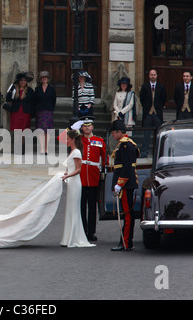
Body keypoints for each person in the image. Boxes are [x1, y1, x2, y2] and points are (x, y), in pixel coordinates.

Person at [72, 116, 107, 241]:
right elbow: (64, 138)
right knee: (81, 206)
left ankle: (91, 232)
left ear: (92, 126)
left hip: (93, 176)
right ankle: (82, 230)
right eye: (84, 126)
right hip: (80, 177)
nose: (87, 128)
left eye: (89, 125)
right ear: (82, 127)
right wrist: (73, 128)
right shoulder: (78, 139)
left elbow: (105, 158)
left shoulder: (99, 140)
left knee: (92, 206)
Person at [60, 130, 96, 248]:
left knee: (74, 209)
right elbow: (72, 168)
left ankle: (74, 237)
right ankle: (68, 237)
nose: (66, 141)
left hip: (75, 183)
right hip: (72, 183)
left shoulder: (76, 152)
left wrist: (67, 175)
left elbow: (78, 170)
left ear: (73, 139)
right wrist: (66, 173)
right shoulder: (73, 151)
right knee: (70, 209)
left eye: (68, 139)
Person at [110, 120, 140, 251]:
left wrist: (119, 184)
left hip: (126, 184)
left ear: (118, 132)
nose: (113, 136)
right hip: (127, 183)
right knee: (128, 213)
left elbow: (127, 168)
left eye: (113, 133)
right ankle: (126, 241)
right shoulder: (127, 144)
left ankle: (126, 242)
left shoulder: (125, 145)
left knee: (127, 214)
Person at [139, 68, 167, 158]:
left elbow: (163, 99)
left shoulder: (161, 86)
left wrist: (158, 107)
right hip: (148, 114)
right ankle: (144, 152)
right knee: (146, 134)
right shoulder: (145, 86)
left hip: (157, 113)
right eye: (151, 75)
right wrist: (147, 108)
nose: (153, 76)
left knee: (158, 134)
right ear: (149, 76)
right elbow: (142, 99)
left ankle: (158, 152)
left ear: (157, 76)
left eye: (154, 75)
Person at [34, 71, 57, 155]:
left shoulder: (52, 89)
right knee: (40, 130)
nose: (44, 79)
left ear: (48, 79)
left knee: (47, 131)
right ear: (40, 79)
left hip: (48, 111)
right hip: (39, 111)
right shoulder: (37, 89)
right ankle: (42, 148)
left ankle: (46, 149)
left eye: (46, 78)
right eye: (43, 78)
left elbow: (54, 101)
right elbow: (35, 100)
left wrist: (51, 109)